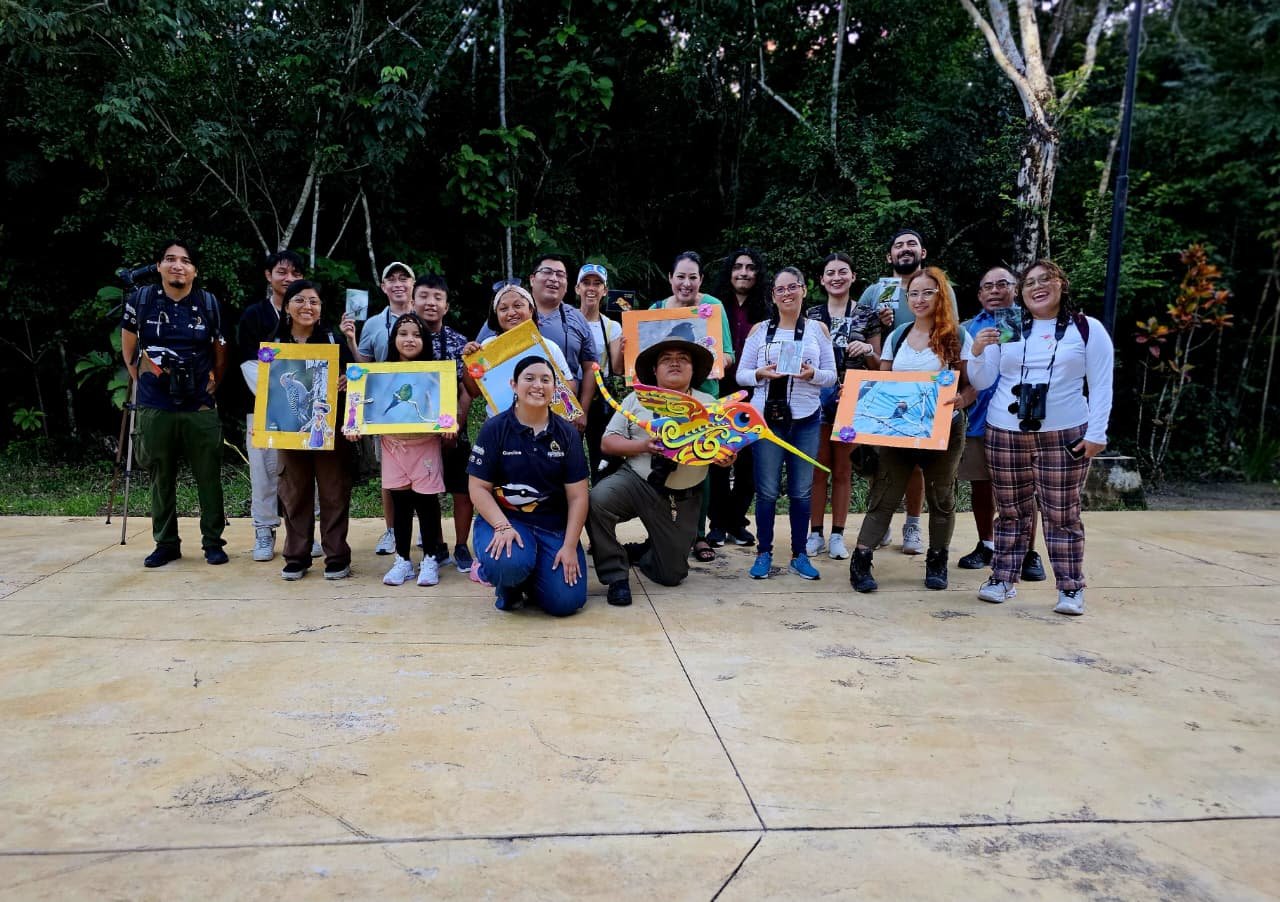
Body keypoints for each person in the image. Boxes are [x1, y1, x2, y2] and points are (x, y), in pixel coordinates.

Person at [966, 260, 1114, 616]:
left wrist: (1098, 433)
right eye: (1029, 282)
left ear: (1062, 284)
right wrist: (977, 352)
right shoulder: (1010, 325)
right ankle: (1002, 578)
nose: (1036, 287)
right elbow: (984, 380)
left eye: (1045, 279)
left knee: (1062, 513)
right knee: (1011, 511)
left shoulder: (1086, 328)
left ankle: (1070, 586)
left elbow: (1102, 383)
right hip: (1005, 430)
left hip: (1064, 433)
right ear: (1021, 293)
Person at [849, 266, 973, 594]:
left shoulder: (956, 336)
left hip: (943, 431)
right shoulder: (898, 335)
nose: (919, 299)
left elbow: (971, 386)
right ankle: (861, 559)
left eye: (927, 292)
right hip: (898, 431)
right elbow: (883, 382)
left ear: (940, 296)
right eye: (914, 293)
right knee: (884, 493)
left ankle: (937, 559)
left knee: (942, 496)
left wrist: (961, 399)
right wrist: (857, 403)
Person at [588, 337, 724, 606]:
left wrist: (726, 458)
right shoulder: (636, 399)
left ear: (694, 369)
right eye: (666, 359)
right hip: (638, 481)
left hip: (682, 495)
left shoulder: (710, 404)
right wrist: (644, 445)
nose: (675, 363)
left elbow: (725, 450)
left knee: (672, 575)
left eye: (683, 358)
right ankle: (616, 575)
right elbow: (608, 442)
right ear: (654, 370)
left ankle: (645, 552)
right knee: (596, 501)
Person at [120, 239, 230, 568]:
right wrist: (146, 382)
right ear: (159, 267)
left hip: (199, 403)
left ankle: (213, 541)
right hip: (156, 403)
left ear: (194, 270)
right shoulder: (141, 301)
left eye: (184, 260)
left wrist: (211, 387)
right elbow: (129, 351)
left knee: (209, 475)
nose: (177, 265)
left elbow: (220, 352)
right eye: (169, 259)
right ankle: (165, 542)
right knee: (160, 475)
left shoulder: (209, 303)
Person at [853, 229, 958, 555]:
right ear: (889, 256)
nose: (904, 249)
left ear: (922, 251)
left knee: (919, 468)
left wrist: (962, 396)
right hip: (886, 387)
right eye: (898, 245)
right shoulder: (875, 291)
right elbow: (857, 332)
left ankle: (913, 523)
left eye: (911, 243)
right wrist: (879, 325)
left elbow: (954, 340)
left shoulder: (941, 289)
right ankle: (879, 527)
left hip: (929, 397)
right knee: (883, 465)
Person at [467, 355, 590, 616]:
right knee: (508, 563)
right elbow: (478, 487)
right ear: (514, 385)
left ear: (555, 389)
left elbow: (578, 497)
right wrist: (501, 526)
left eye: (546, 380)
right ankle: (506, 582)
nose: (538, 385)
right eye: (529, 378)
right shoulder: (495, 428)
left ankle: (533, 576)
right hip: (507, 520)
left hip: (552, 526)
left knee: (566, 602)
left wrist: (569, 547)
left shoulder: (566, 433)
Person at [736, 267, 837, 580]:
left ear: (804, 291)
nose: (787, 293)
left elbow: (832, 377)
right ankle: (764, 552)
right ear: (773, 296)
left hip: (806, 419)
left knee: (801, 491)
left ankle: (799, 553)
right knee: (766, 491)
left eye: (793, 287)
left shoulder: (817, 330)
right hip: (766, 420)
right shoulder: (760, 331)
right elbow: (740, 374)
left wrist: (811, 375)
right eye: (780, 289)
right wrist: (761, 374)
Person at [956, 267, 1045, 580]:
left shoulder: (1032, 322)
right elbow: (964, 376)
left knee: (1024, 489)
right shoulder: (967, 328)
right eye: (987, 286)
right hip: (979, 420)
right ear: (980, 294)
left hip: (1020, 420)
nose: (994, 291)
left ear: (1015, 288)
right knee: (981, 486)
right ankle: (987, 544)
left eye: (1002, 284)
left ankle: (1029, 551)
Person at [653, 250, 736, 563]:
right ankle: (660, 531)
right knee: (664, 463)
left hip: (703, 396)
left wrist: (710, 362)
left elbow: (728, 354)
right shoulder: (656, 309)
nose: (686, 283)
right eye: (680, 277)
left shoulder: (712, 307)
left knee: (701, 464)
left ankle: (698, 535)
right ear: (671, 278)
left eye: (692, 277)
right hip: (665, 401)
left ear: (700, 280)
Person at [273, 280, 360, 580]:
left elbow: (355, 381)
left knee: (334, 491)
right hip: (290, 429)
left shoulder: (334, 343)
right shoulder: (274, 347)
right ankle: (296, 555)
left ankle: (336, 555)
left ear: (321, 310)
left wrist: (347, 383)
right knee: (294, 492)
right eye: (299, 300)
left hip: (329, 428)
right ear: (286, 307)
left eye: (314, 301)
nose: (307, 307)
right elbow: (267, 391)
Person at [805, 252, 882, 561]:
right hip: (817, 398)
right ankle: (815, 533)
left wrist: (866, 350)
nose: (836, 277)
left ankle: (838, 534)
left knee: (843, 469)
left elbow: (879, 367)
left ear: (852, 276)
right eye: (830, 272)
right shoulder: (810, 315)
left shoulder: (867, 314)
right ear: (822, 280)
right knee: (817, 469)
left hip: (854, 399)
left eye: (843, 271)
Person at [236, 250, 308, 562]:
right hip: (263, 408)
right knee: (264, 473)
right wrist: (277, 396)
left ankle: (304, 533)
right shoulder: (255, 315)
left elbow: (318, 366)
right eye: (282, 272)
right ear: (269, 276)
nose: (288, 278)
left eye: (295, 273)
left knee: (303, 474)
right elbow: (248, 363)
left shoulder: (310, 316)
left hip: (304, 413)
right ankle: (264, 530)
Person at [475, 255, 598, 421]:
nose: (554, 278)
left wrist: (580, 411)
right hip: (503, 420)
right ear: (532, 279)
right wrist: (473, 356)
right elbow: (476, 379)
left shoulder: (574, 321)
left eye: (560, 274)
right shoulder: (493, 333)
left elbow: (588, 369)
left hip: (553, 418)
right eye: (547, 272)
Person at [706, 247, 771, 549]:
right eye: (738, 267)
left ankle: (737, 522)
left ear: (758, 274)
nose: (743, 272)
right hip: (719, 392)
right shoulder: (713, 309)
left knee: (748, 464)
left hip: (757, 393)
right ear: (729, 272)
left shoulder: (767, 308)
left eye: (750, 267)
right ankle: (717, 524)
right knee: (717, 458)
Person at [377, 313, 447, 588]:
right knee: (401, 504)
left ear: (425, 340)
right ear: (393, 339)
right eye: (403, 333)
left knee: (428, 504)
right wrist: (356, 423)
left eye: (416, 335)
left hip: (425, 446)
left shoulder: (434, 372)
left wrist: (448, 423)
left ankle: (430, 557)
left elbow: (443, 406)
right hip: (393, 446)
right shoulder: (382, 372)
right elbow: (370, 406)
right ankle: (403, 559)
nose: (409, 339)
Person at [412, 273, 475, 573]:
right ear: (413, 301)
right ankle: (436, 546)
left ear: (446, 306)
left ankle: (462, 545)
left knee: (463, 489)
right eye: (424, 296)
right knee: (426, 492)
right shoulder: (405, 339)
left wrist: (457, 426)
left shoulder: (458, 342)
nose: (430, 303)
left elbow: (466, 389)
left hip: (454, 434)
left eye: (437, 297)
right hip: (415, 434)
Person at [358, 261, 417, 556]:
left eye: (403, 278)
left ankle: (420, 528)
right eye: (390, 279)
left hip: (421, 407)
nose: (397, 284)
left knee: (423, 471)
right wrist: (348, 339)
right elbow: (364, 369)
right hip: (386, 409)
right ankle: (393, 530)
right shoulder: (371, 324)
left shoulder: (424, 318)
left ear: (412, 285)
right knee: (391, 475)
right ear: (383, 287)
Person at [461, 284, 576, 416]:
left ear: (531, 310)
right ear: (496, 315)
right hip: (501, 428)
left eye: (518, 306)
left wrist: (552, 384)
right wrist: (468, 361)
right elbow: (474, 392)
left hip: (543, 424)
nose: (511, 313)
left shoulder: (549, 347)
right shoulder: (486, 347)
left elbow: (570, 386)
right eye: (503, 309)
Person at [574, 262, 624, 483]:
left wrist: (624, 349)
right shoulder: (564, 320)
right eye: (586, 283)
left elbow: (618, 369)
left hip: (600, 400)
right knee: (569, 456)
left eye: (597, 284)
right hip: (568, 395)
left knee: (601, 459)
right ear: (577, 288)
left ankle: (600, 510)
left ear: (605, 291)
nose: (591, 288)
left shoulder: (612, 327)